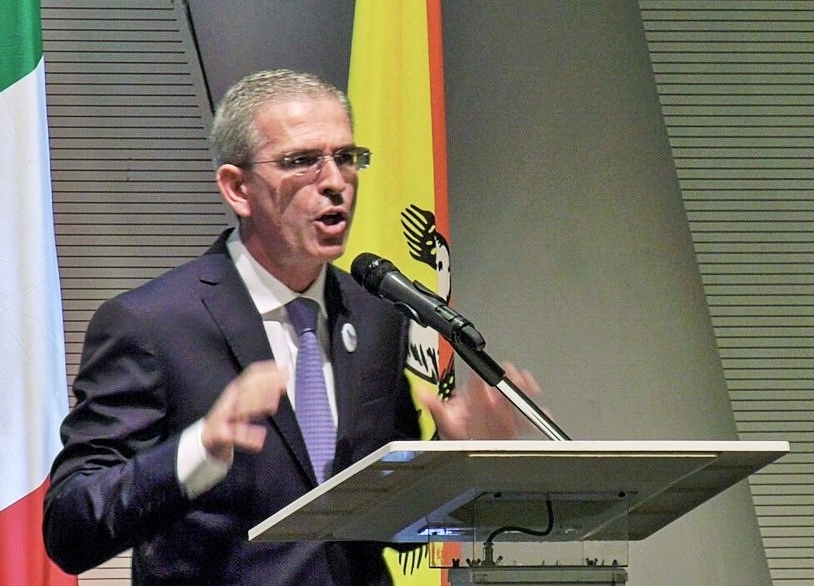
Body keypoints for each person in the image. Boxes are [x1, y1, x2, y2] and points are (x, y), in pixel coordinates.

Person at [42, 69, 538, 586]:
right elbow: (71, 526)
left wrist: (455, 458)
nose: (335, 181)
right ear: (237, 188)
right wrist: (198, 449)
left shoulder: (375, 314)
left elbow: (390, 519)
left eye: (346, 157)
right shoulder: (153, 325)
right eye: (302, 161)